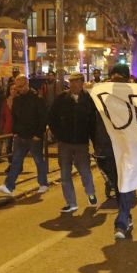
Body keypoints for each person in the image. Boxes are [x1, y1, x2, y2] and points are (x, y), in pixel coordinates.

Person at [89, 64, 137, 239]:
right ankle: (127, 216)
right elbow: (91, 121)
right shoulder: (100, 97)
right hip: (106, 150)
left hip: (126, 150)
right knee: (118, 187)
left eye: (120, 77)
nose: (116, 80)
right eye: (113, 76)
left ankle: (121, 223)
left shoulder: (136, 97)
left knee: (124, 185)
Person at [49, 72, 98, 213]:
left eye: (76, 81)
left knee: (85, 171)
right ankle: (71, 203)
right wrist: (58, 134)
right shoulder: (62, 99)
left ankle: (91, 193)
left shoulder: (89, 100)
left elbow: (93, 123)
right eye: (71, 82)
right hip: (65, 143)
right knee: (65, 174)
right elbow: (52, 117)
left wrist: (94, 142)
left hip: (82, 143)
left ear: (82, 83)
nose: (73, 84)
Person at [0, 75, 49, 196]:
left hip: (34, 136)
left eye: (21, 86)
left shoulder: (37, 98)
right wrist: (15, 132)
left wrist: (38, 134)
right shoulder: (17, 100)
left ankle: (43, 183)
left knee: (38, 160)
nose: (19, 89)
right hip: (20, 135)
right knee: (16, 161)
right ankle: (9, 186)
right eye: (17, 86)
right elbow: (15, 117)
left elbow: (43, 117)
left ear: (27, 84)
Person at [0, 82, 16, 173]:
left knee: (17, 148)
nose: (13, 91)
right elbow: (2, 116)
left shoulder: (20, 100)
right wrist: (3, 127)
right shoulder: (5, 101)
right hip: (8, 128)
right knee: (8, 147)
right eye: (11, 89)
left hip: (18, 129)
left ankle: (17, 164)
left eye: (14, 89)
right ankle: (11, 164)